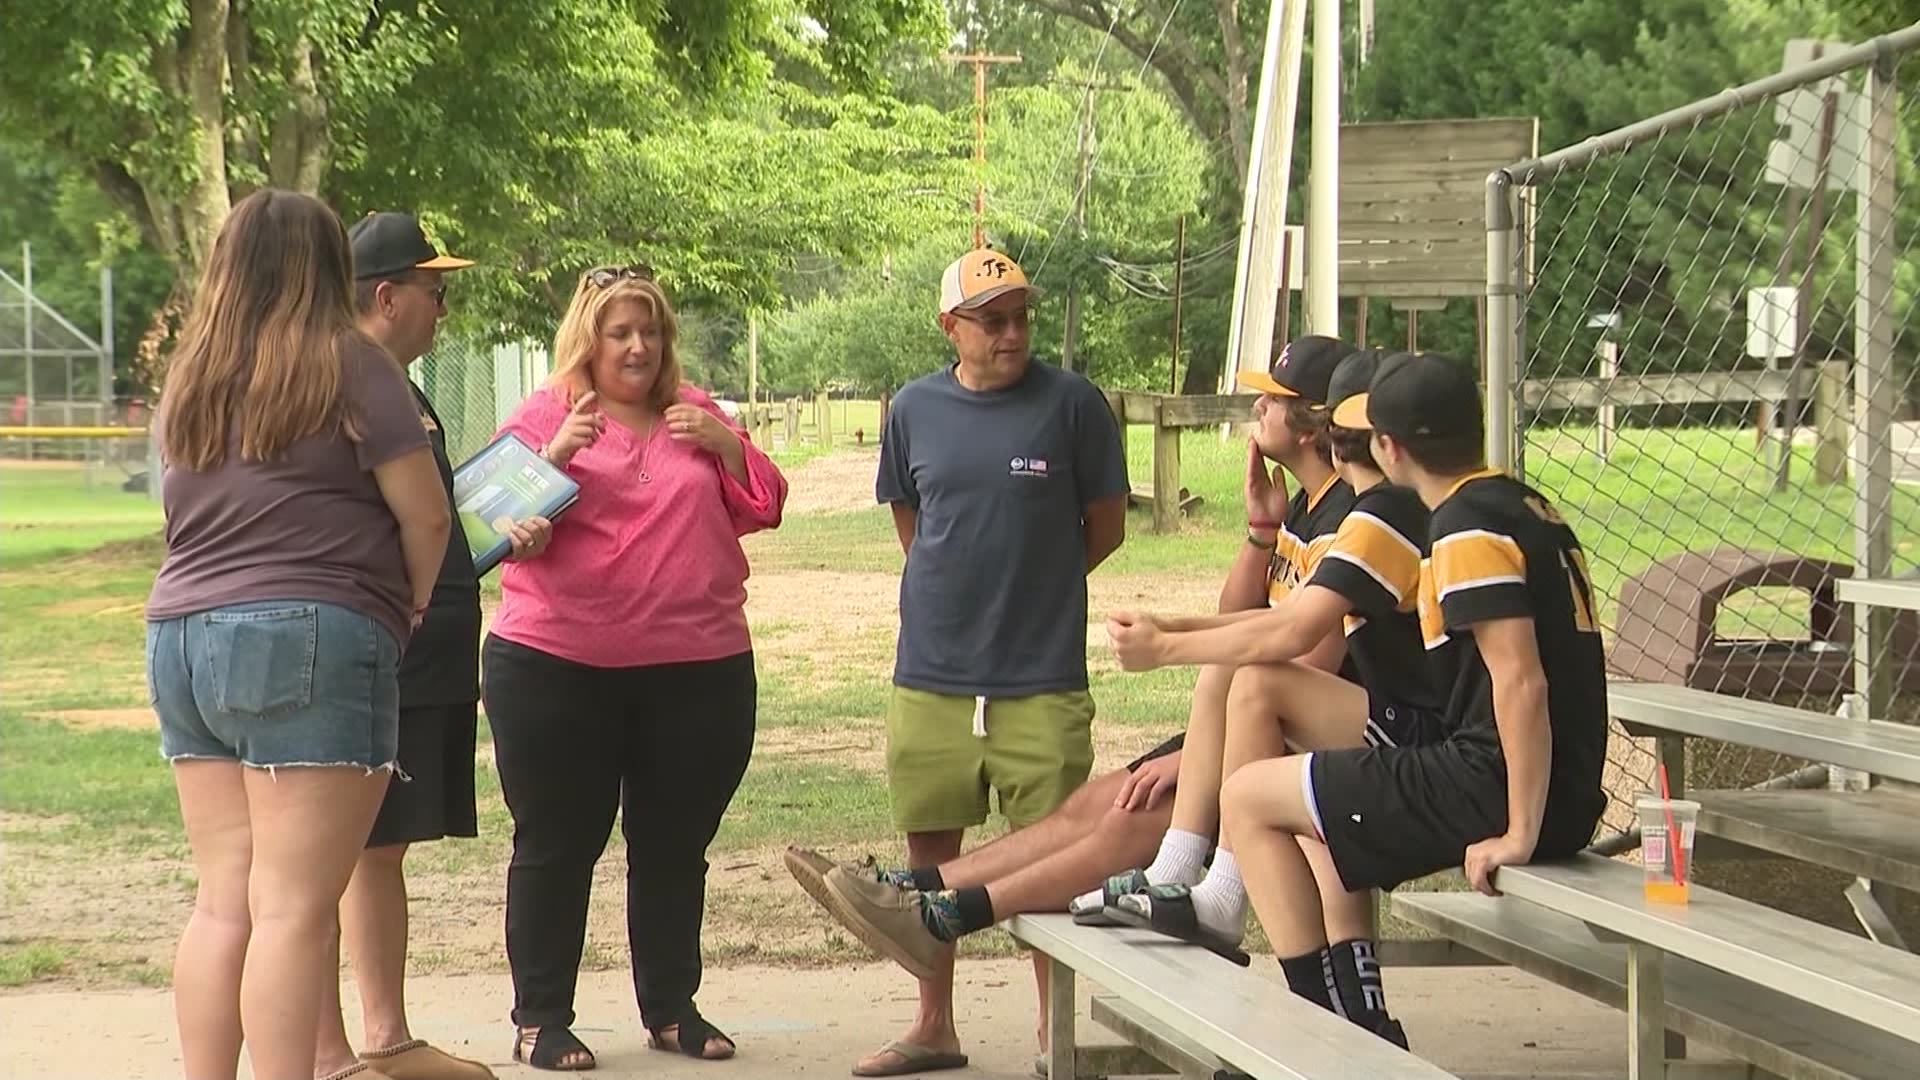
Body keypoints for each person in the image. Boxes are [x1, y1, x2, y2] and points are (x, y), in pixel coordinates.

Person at [786, 335, 1350, 1075]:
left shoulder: (1351, 516)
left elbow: (1300, 658)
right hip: (1256, 722)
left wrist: (1199, 754)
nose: (1255, 407)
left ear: (1311, 425)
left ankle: (946, 912)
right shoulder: (1306, 506)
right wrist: (1260, 531)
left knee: (1127, 820)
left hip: (1307, 739)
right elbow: (1239, 620)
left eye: (1271, 400)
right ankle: (918, 891)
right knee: (1095, 805)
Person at [144, 189, 452, 1080]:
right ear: (327, 267)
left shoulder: (192, 375)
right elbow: (425, 518)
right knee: (293, 910)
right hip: (313, 629)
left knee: (224, 902)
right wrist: (408, 610)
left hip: (182, 634)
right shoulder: (355, 363)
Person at [1218, 352, 1607, 1041]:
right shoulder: (1523, 503)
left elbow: (1521, 682)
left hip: (1498, 784)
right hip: (1539, 782)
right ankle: (1343, 1019)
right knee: (1300, 794)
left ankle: (1323, 1025)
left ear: (1389, 448)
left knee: (1247, 799)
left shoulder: (1464, 526)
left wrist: (1519, 830)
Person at [813, 247, 1127, 1078]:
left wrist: (1034, 586)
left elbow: (1106, 526)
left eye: (1021, 316)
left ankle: (1050, 1037)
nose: (1013, 333)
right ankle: (934, 1026)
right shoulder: (913, 408)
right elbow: (913, 524)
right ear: (951, 326)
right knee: (929, 863)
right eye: (993, 321)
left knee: (1051, 862)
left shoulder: (1074, 406)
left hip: (1042, 676)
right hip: (933, 675)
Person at [479, 264, 788, 1071]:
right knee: (557, 841)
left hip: (697, 668)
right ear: (589, 340)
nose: (639, 346)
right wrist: (553, 459)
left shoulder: (697, 412)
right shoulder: (548, 415)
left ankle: (671, 1009)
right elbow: (487, 525)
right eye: (621, 332)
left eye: (650, 332)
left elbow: (766, 503)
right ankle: (541, 1016)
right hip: (556, 666)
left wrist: (727, 444)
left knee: (674, 844)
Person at [1100, 349, 1449, 1045]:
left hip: (1428, 739)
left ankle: (1321, 1008)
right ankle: (1351, 1024)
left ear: (1332, 431)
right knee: (1303, 794)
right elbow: (1259, 620)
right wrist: (1181, 619)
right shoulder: (1354, 506)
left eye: (1274, 399)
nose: (1256, 409)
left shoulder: (1379, 513)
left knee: (1285, 752)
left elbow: (1294, 639)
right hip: (1410, 728)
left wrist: (1166, 645)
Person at [307, 214, 538, 1080]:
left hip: (431, 649)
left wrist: (498, 535)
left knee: (381, 848)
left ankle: (385, 1034)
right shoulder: (353, 384)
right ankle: (329, 1053)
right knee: (328, 854)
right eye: (435, 291)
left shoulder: (400, 385)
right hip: (384, 651)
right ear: (386, 294)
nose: (444, 307)